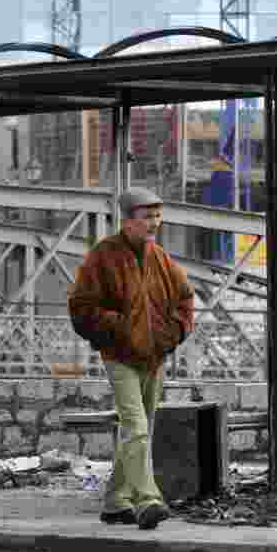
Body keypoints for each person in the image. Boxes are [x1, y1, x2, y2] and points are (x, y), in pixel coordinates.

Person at [68, 187, 195, 529]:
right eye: (146, 217)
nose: (155, 223)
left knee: (140, 430)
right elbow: (81, 308)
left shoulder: (161, 259)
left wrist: (170, 335)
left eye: (157, 215)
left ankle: (115, 501)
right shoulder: (103, 256)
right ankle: (148, 499)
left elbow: (186, 301)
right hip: (119, 355)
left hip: (154, 356)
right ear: (126, 221)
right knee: (137, 428)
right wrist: (121, 330)